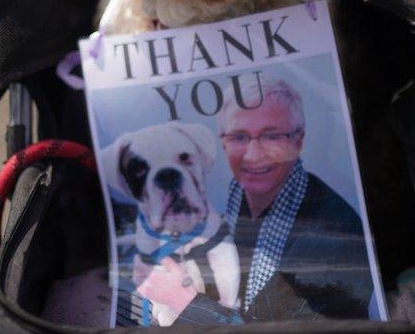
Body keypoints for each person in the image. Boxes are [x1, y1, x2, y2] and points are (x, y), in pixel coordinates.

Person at [133, 76, 375, 324]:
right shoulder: (236, 202)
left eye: (271, 136)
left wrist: (181, 300)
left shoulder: (339, 239)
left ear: (298, 140)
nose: (253, 154)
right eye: (239, 137)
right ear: (224, 143)